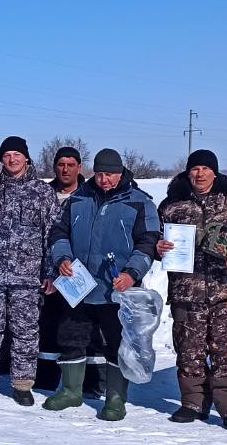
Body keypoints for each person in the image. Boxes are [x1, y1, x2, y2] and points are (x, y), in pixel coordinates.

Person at [45, 148, 160, 420]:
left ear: (121, 174)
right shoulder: (77, 199)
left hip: (116, 289)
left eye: (110, 174)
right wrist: (62, 258)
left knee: (115, 343)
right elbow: (59, 232)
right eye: (100, 174)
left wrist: (132, 273)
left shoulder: (139, 202)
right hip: (80, 287)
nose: (104, 180)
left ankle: (115, 399)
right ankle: (72, 391)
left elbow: (148, 242)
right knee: (71, 337)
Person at [156, 150, 227, 430]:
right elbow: (156, 238)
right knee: (189, 350)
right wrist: (158, 247)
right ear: (187, 172)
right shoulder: (172, 204)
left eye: (205, 168)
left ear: (215, 172)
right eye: (194, 169)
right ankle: (193, 402)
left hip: (223, 290)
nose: (199, 174)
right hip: (186, 291)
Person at [0, 136, 58, 406]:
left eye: (17, 154)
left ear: (27, 158)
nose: (12, 159)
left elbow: (52, 235)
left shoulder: (42, 193)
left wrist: (50, 271)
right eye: (7, 154)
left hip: (27, 277)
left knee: (26, 331)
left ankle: (22, 384)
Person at [34, 146, 98, 395]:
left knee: (82, 330)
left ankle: (88, 383)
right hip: (49, 275)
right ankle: (46, 381)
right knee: (48, 328)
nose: (65, 169)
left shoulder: (89, 195)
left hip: (80, 276)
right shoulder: (44, 193)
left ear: (79, 167)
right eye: (61, 164)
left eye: (71, 165)